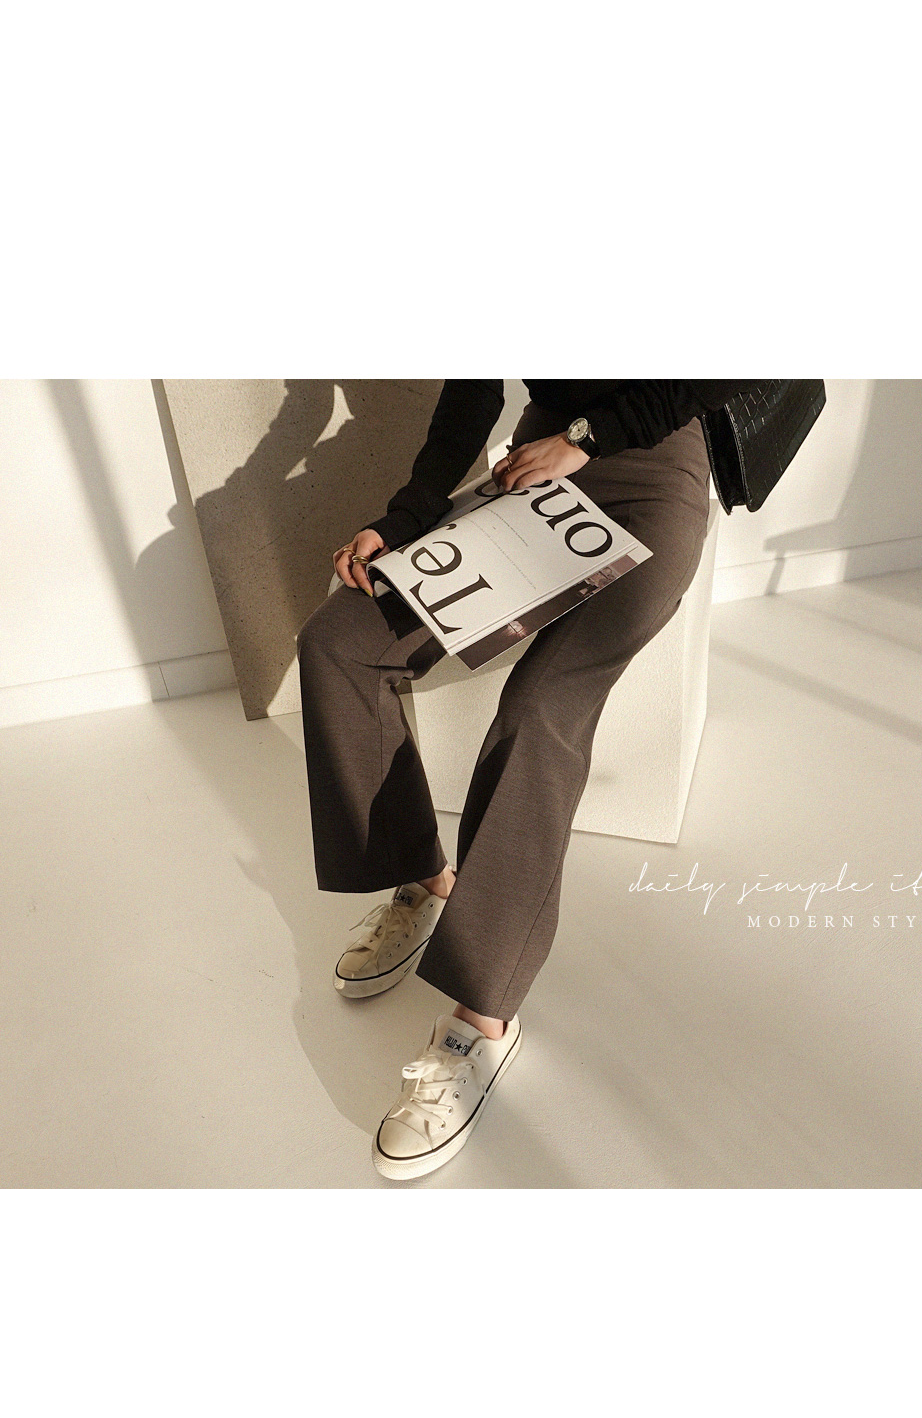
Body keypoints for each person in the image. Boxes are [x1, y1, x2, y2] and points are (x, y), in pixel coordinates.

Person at [298, 379, 725, 1180]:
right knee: (339, 642)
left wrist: (586, 437)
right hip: (534, 468)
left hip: (653, 466)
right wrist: (403, 517)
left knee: (538, 713)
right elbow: (470, 390)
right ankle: (429, 881)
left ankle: (481, 1022)